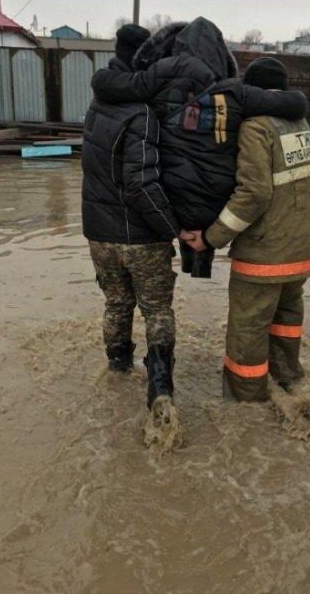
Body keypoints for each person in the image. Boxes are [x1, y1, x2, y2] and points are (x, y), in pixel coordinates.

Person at [91, 17, 309, 282]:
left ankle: (190, 261)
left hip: (174, 201)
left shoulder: (156, 78)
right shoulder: (235, 93)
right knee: (208, 229)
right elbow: (296, 104)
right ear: (221, 56)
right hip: (214, 205)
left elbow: (106, 83)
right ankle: (201, 265)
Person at [187, 57, 310, 402]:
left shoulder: (256, 126)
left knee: (248, 328)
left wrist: (211, 238)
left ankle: (246, 403)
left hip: (266, 253)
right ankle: (288, 379)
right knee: (287, 318)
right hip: (302, 250)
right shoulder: (299, 123)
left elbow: (254, 193)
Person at [82, 23, 191, 420]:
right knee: (158, 310)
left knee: (116, 303)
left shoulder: (97, 104)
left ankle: (117, 370)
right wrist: (175, 228)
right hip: (140, 237)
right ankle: (161, 391)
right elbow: (141, 184)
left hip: (99, 234)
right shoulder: (142, 113)